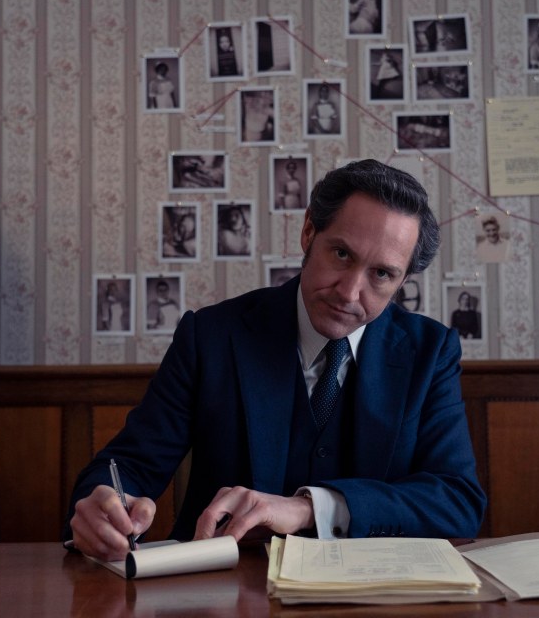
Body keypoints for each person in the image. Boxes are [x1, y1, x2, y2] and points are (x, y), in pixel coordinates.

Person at [65, 159, 486, 563]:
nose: (350, 291)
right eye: (341, 254)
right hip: (223, 592)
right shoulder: (210, 336)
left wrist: (311, 508)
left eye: (382, 274)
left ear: (402, 281)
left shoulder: (430, 352)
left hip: (373, 597)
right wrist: (103, 503)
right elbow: (129, 464)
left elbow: (458, 501)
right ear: (308, 233)